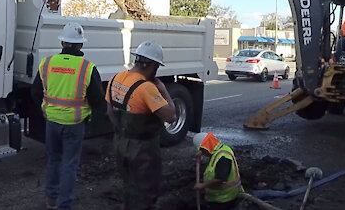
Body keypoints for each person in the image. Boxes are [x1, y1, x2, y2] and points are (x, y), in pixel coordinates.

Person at [31, 22, 107, 210]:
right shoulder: (87, 68)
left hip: (52, 122)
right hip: (75, 123)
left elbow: (35, 92)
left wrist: (43, 107)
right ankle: (64, 205)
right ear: (80, 45)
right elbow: (98, 99)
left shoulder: (47, 63)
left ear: (63, 42)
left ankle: (51, 199)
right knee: (69, 164)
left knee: (54, 160)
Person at [106, 40, 177, 210]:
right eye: (157, 67)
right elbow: (171, 116)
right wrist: (163, 88)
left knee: (129, 185)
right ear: (151, 65)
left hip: (120, 144)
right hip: (143, 150)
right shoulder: (146, 88)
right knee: (146, 193)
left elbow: (109, 112)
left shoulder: (116, 78)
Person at [193, 132, 241, 210]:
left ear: (206, 148)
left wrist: (202, 185)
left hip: (224, 199)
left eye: (203, 151)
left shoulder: (223, 158)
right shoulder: (221, 149)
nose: (204, 154)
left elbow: (220, 179)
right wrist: (201, 152)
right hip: (219, 197)